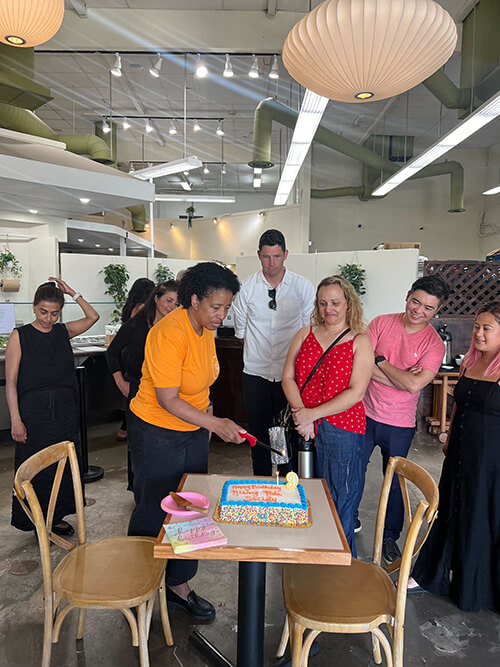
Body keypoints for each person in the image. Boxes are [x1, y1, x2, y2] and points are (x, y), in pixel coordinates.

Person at [127, 262, 245, 621]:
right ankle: (136, 584)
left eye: (226, 307)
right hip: (157, 431)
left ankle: (179, 585)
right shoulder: (168, 332)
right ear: (194, 300)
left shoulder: (203, 327)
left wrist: (206, 416)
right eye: (216, 307)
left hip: (192, 429)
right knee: (154, 507)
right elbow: (168, 399)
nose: (221, 315)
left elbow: (201, 381)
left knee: (190, 506)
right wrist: (214, 422)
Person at [408, 301, 500, 612]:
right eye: (477, 326)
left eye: (487, 328)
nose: (478, 333)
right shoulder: (469, 364)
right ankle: (432, 574)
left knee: (481, 517)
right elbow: (459, 406)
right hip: (460, 453)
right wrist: (448, 437)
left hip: (491, 462)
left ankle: (476, 588)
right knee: (449, 510)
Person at [354, 275, 449, 564]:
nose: (419, 310)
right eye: (416, 301)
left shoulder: (434, 344)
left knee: (393, 481)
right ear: (407, 296)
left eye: (428, 308)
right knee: (353, 470)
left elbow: (413, 386)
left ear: (437, 310)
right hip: (365, 412)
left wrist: (381, 361)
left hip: (400, 423)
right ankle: (346, 521)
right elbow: (361, 363)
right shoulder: (382, 322)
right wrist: (403, 375)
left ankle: (389, 537)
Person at [282, 276, 373, 555]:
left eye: (335, 302)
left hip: (343, 429)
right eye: (322, 303)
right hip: (303, 427)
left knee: (340, 500)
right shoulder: (304, 334)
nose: (328, 309)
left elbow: (356, 393)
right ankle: (311, 562)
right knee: (304, 496)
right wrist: (301, 415)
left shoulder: (360, 342)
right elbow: (288, 377)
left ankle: (342, 567)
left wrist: (311, 415)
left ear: (348, 304)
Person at [7, 278, 99, 536]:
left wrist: (73, 292)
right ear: (34, 308)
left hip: (64, 411)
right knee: (36, 468)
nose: (48, 318)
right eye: (43, 312)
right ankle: (36, 519)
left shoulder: (62, 332)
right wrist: (16, 419)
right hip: (33, 414)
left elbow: (93, 316)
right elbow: (11, 382)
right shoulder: (20, 336)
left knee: (64, 465)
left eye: (55, 313)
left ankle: (55, 516)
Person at [232, 229, 315, 476]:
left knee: (284, 432)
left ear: (285, 255)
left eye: (277, 257)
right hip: (255, 373)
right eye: (266, 257)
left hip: (288, 376)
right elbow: (242, 332)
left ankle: (284, 481)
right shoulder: (245, 288)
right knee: (257, 433)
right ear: (259, 255)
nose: (271, 263)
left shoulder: (302, 287)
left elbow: (306, 333)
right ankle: (261, 479)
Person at [106, 280, 179, 491]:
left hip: (165, 389)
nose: (171, 306)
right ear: (156, 298)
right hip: (136, 387)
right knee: (137, 441)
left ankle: (162, 486)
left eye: (175, 302)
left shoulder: (174, 327)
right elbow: (112, 353)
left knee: (162, 438)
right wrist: (121, 382)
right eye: (168, 300)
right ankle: (138, 487)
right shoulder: (136, 324)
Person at [116, 277, 155, 441]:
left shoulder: (129, 307)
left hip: (128, 354)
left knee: (132, 399)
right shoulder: (144, 310)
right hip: (140, 359)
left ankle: (125, 428)